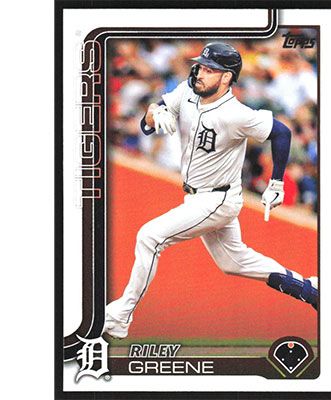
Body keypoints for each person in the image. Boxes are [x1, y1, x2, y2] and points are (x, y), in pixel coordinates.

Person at [104, 43, 318, 339]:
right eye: (201, 66)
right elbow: (150, 117)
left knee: (149, 237)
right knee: (234, 261)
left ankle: (120, 316)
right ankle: (309, 289)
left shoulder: (236, 113)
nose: (200, 72)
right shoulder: (187, 91)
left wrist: (276, 182)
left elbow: (281, 132)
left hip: (218, 198)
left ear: (226, 77)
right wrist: (154, 114)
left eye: (209, 69)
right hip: (197, 196)